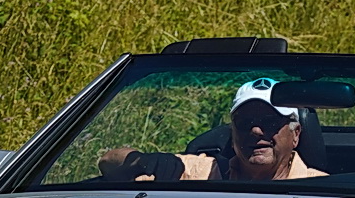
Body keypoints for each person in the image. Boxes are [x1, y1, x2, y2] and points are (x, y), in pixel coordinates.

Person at [98, 78, 327, 182]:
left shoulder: (324, 190)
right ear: (232, 133)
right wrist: (143, 162)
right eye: (244, 123)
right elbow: (109, 161)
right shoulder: (204, 173)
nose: (256, 131)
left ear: (295, 134)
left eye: (269, 122)